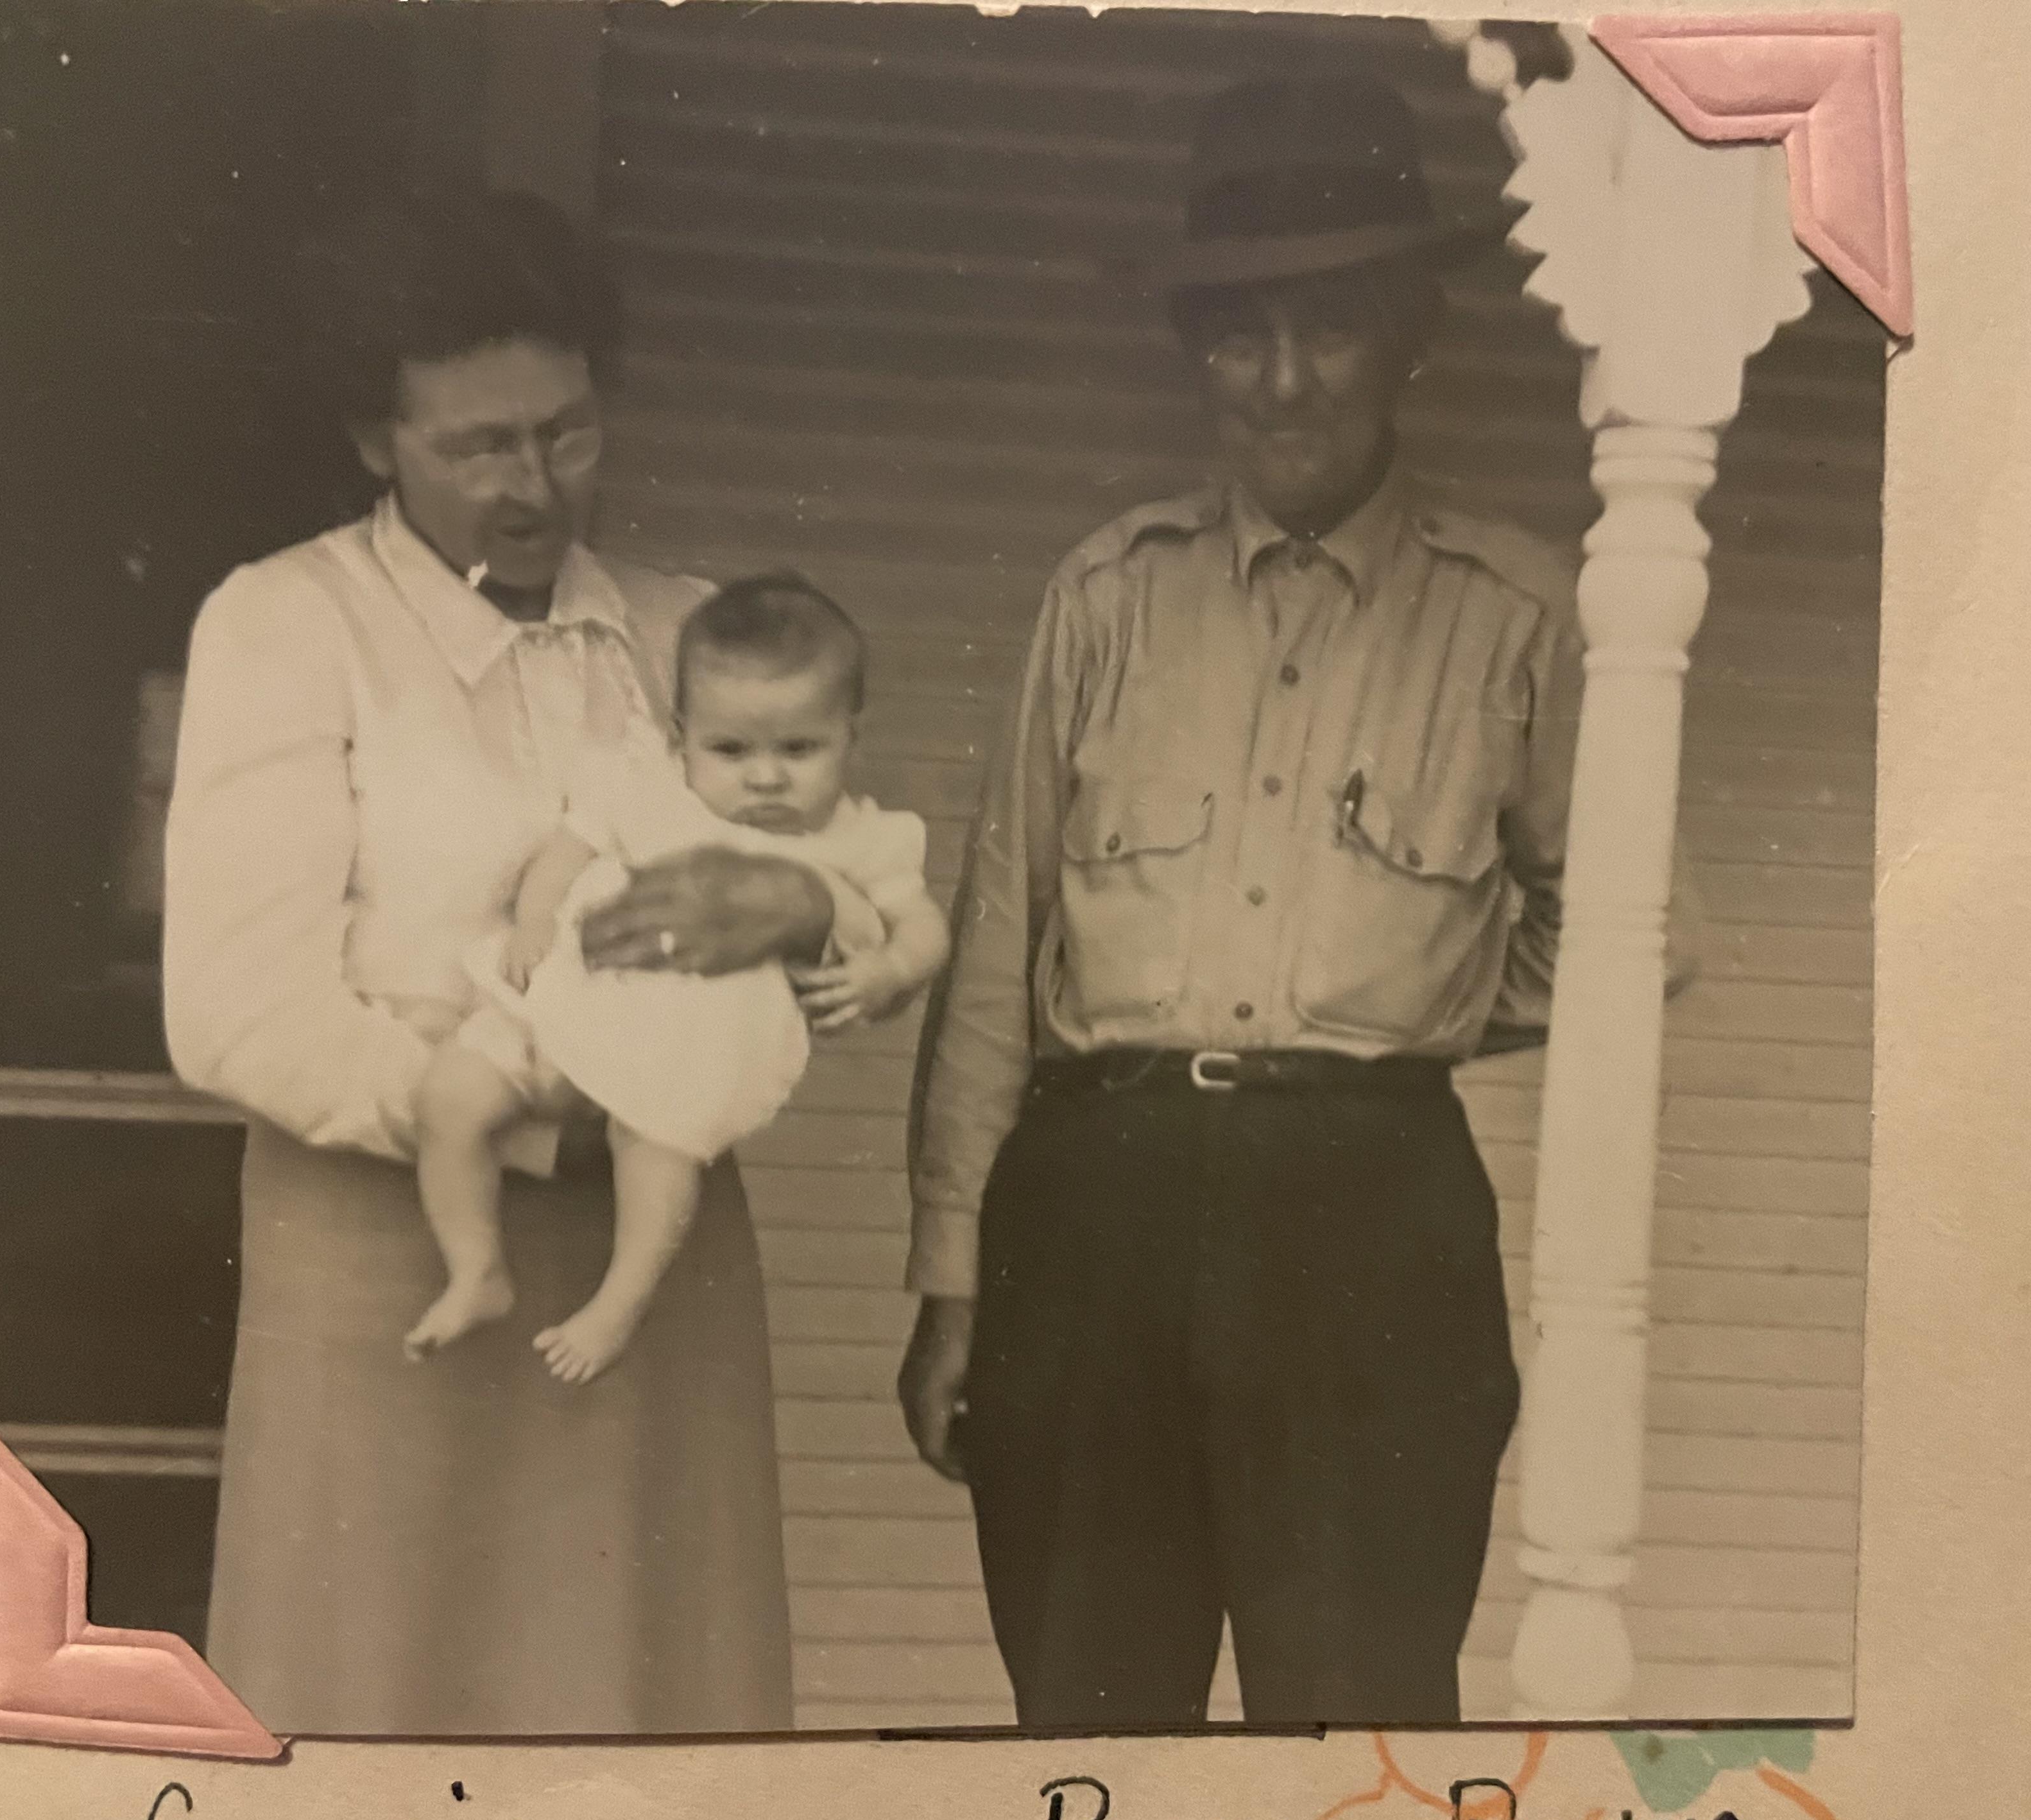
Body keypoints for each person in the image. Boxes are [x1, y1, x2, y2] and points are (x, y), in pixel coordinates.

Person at [900, 76, 1697, 1729]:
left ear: (1406, 336)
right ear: (1192, 349)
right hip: (1090, 1208)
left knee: (1356, 1736)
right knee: (1082, 1726)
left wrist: (1394, 1006)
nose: (1277, 382)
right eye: (1236, 336)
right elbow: (995, 952)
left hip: (1367, 1224)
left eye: (1326, 328)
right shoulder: (1104, 594)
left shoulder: (1515, 617)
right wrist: (950, 1275)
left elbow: (1632, 937)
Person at [162, 184, 835, 1735]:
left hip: (652, 1274)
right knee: (380, 1700)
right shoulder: (285, 624)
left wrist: (798, 923)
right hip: (383, 1261)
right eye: (477, 446)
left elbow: (821, 909)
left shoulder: (683, 634)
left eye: (565, 432)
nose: (533, 485)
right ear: (370, 438)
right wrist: (526, 1114)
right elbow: (237, 1005)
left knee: (647, 1707)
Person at [404, 573, 950, 1382]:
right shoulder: (649, 786)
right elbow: (568, 849)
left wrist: (890, 968)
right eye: (731, 750)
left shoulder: (859, 839)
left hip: (687, 1048)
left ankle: (618, 1305)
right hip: (572, 998)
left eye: (799, 750)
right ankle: (475, 1267)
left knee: (656, 1150)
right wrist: (534, 922)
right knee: (449, 1095)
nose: (765, 778)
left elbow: (924, 926)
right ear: (682, 733)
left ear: (850, 740)